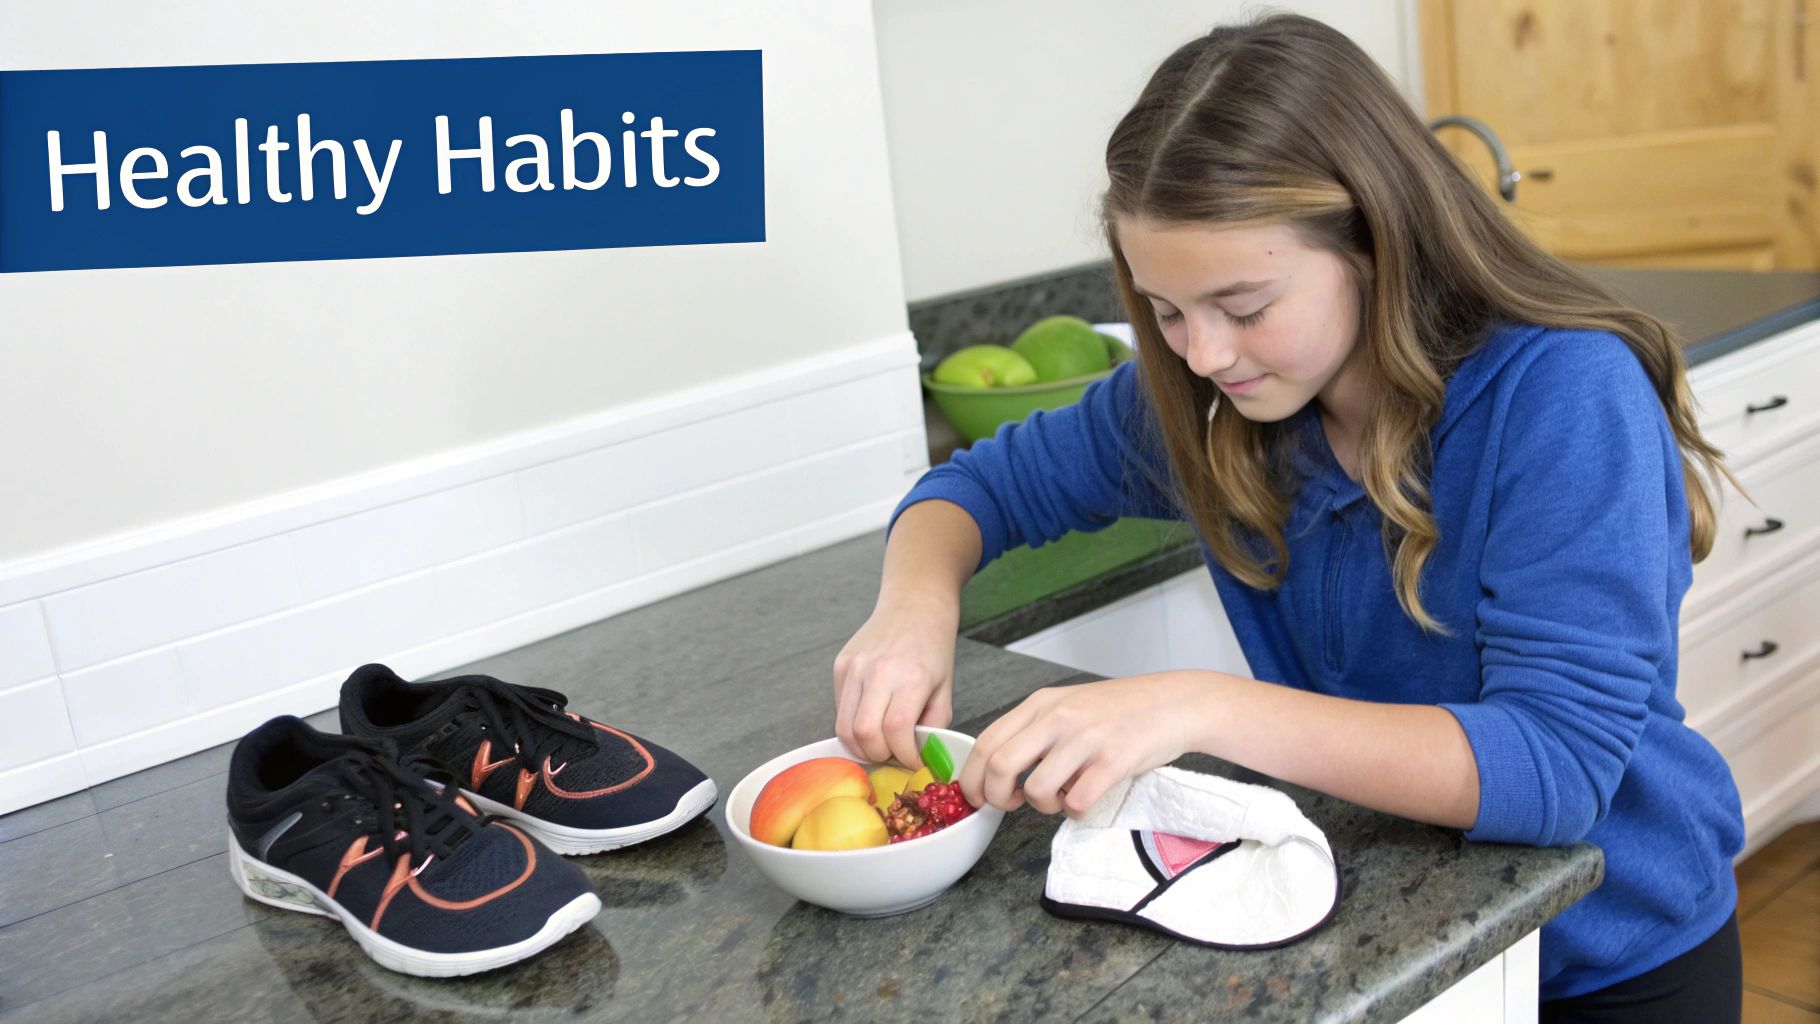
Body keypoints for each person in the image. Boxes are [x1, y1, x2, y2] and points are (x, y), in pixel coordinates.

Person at [832, 13, 1747, 1023]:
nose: (1203, 354)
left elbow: (1554, 767)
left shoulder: (1560, 395)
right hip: (1388, 931)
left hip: (1611, 956)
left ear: (1369, 240)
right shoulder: (1215, 400)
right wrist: (910, 607)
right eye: (1167, 311)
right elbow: (975, 490)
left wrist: (1193, 705)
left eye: (1243, 302)